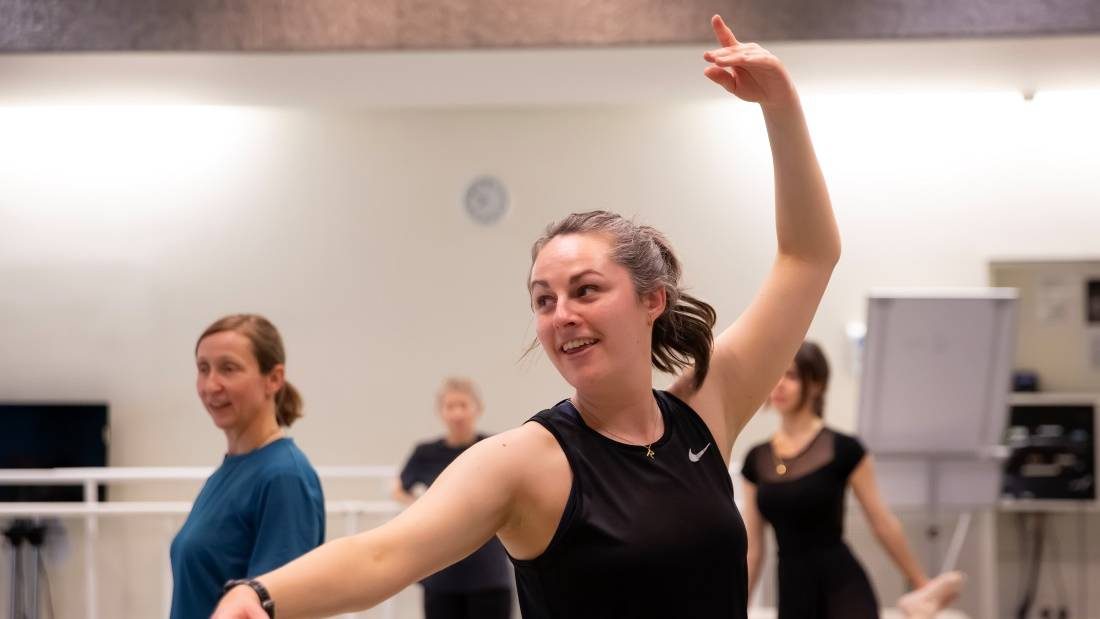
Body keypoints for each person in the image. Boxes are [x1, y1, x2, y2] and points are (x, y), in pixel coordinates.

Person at [213, 14, 840, 618]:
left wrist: (780, 108)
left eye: (586, 290)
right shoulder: (525, 462)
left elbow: (808, 257)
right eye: (544, 299)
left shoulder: (707, 407)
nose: (561, 315)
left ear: (653, 300)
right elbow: (384, 554)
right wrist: (263, 597)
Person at [740, 341, 964, 619]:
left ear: (817, 384)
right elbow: (752, 549)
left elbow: (882, 523)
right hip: (793, 591)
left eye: (792, 376)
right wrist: (737, 608)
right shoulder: (756, 459)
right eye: (776, 374)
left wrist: (922, 586)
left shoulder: (844, 448)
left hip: (843, 587)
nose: (780, 385)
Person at [170, 314, 325, 619]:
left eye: (228, 368)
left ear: (274, 379)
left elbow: (279, 607)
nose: (211, 385)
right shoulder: (231, 470)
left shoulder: (284, 477)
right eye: (203, 369)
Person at [393, 377, 513, 619]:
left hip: (488, 572)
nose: (457, 413)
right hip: (440, 572)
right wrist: (423, 508)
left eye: (463, 405)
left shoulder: (494, 447)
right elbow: (399, 488)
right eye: (450, 406)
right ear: (441, 411)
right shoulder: (425, 452)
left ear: (477, 408)